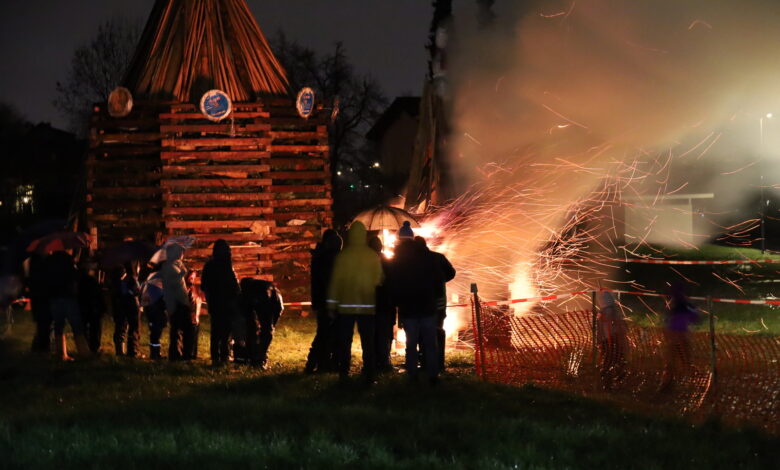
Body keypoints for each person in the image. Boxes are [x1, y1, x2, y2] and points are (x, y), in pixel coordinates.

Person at [327, 221, 383, 383]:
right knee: (368, 342)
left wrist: (331, 305)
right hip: (367, 306)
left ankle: (344, 372)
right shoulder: (371, 255)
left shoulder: (343, 256)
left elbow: (335, 282)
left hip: (346, 307)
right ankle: (369, 374)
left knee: (345, 341)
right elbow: (379, 279)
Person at [388, 225, 442, 384]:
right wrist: (437, 302)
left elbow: (394, 284)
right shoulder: (429, 257)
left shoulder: (398, 259)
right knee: (430, 344)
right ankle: (433, 375)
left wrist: (397, 303)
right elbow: (438, 280)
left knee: (411, 344)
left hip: (409, 308)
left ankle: (412, 374)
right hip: (428, 307)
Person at [414, 236, 455, 373]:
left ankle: (424, 361)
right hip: (438, 303)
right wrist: (441, 280)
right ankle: (438, 363)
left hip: (421, 302)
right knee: (437, 331)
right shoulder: (438, 257)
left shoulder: (413, 261)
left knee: (421, 332)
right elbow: (452, 273)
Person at [305, 229, 343, 374]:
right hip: (328, 301)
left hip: (323, 301)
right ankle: (320, 363)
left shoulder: (321, 256)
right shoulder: (327, 259)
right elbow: (329, 283)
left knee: (324, 333)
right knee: (326, 334)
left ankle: (319, 363)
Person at [44, 251, 90, 360]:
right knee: (76, 325)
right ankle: (84, 352)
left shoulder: (50, 262)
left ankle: (61, 353)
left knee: (58, 325)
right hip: (68, 297)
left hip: (55, 297)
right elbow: (76, 277)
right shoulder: (67, 260)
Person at [200, 239, 240, 365]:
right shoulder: (226, 266)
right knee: (225, 331)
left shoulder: (209, 266)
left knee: (216, 331)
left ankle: (216, 357)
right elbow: (234, 286)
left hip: (216, 302)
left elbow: (204, 285)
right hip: (226, 303)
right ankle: (223, 356)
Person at [659, 282, 701, 392]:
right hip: (681, 336)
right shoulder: (685, 305)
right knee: (686, 359)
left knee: (671, 361)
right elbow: (695, 319)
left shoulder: (673, 305)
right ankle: (688, 382)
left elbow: (667, 321)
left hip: (673, 336)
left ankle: (667, 382)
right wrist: (696, 311)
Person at [241, 277, 284, 369]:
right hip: (270, 301)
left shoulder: (257, 291)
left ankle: (259, 356)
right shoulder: (250, 290)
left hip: (271, 302)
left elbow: (251, 312)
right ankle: (256, 355)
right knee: (261, 329)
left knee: (265, 330)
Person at [368, 235, 394, 373]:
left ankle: (372, 363)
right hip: (385, 304)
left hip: (371, 304)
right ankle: (384, 362)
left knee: (371, 335)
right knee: (384, 334)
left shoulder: (364, 262)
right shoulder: (387, 261)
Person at [161, 243, 192, 361]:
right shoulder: (169, 266)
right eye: (180, 252)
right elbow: (175, 281)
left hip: (181, 301)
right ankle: (178, 354)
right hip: (176, 302)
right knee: (179, 329)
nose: (182, 255)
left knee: (180, 329)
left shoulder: (176, 264)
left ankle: (180, 353)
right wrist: (183, 273)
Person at [596, 290, 628, 390]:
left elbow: (599, 329)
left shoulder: (607, 312)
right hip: (611, 340)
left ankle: (610, 381)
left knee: (613, 360)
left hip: (612, 340)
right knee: (613, 360)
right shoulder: (610, 311)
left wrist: (599, 341)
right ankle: (609, 382)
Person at [111, 262, 142, 358]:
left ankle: (120, 351)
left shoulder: (116, 273)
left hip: (119, 303)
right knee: (133, 327)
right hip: (131, 303)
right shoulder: (131, 278)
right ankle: (133, 351)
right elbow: (137, 291)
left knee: (120, 326)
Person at [77, 259, 106, 354]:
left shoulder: (80, 281)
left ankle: (86, 347)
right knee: (95, 327)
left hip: (85, 307)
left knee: (86, 327)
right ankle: (94, 347)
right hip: (93, 308)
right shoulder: (91, 281)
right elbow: (97, 295)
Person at [140, 265, 166, 359]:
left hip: (149, 306)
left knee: (154, 331)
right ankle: (155, 354)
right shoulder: (160, 279)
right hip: (155, 307)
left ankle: (154, 353)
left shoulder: (150, 277)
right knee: (156, 331)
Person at [28, 253, 52, 353]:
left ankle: (39, 345)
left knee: (42, 322)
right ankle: (43, 346)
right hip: (43, 296)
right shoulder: (45, 262)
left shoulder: (33, 261)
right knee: (45, 322)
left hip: (37, 296)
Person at [186, 270, 204, 359]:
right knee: (189, 337)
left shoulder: (194, 289)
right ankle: (188, 355)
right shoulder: (186, 289)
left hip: (195, 317)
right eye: (191, 277)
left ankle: (193, 355)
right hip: (190, 317)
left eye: (193, 278)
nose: (192, 280)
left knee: (194, 337)